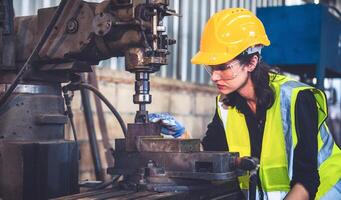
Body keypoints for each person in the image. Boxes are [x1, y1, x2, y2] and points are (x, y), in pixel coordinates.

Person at [150, 8, 341, 200]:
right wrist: (182, 137)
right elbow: (211, 153)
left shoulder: (298, 98)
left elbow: (307, 180)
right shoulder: (226, 105)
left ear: (251, 62)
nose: (215, 76)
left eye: (224, 67)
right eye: (211, 68)